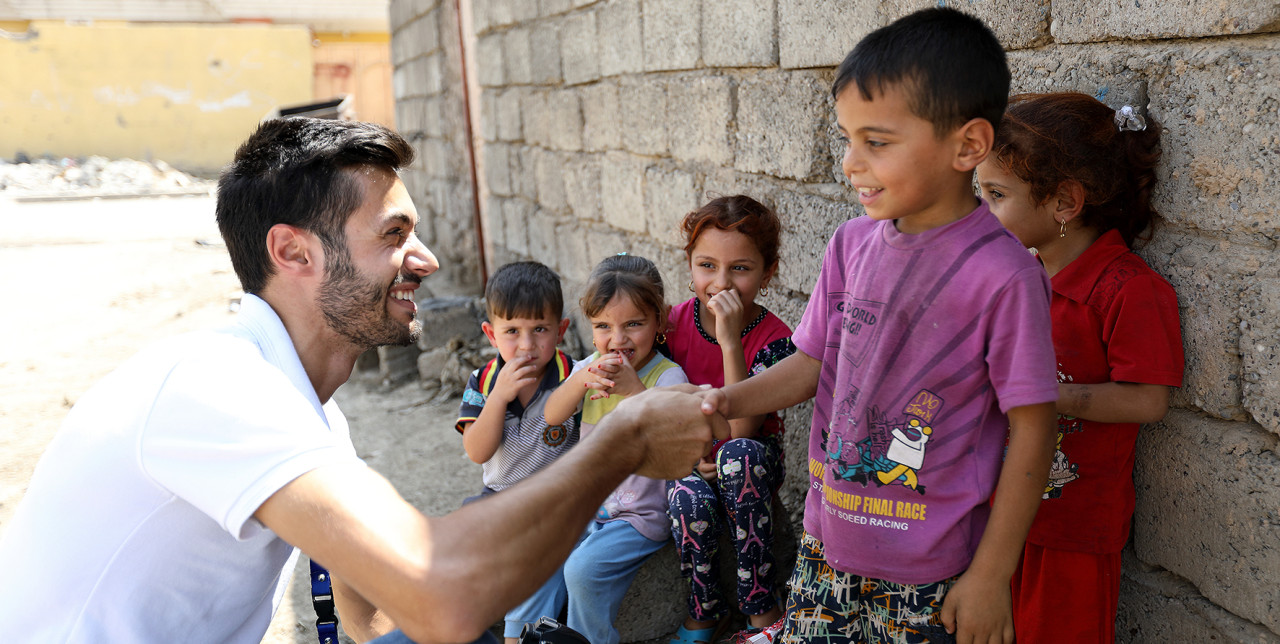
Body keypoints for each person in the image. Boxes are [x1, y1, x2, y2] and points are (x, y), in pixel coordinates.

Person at [0, 118, 726, 644]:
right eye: (393, 235)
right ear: (293, 252)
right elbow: (442, 592)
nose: (428, 259)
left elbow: (371, 613)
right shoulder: (218, 388)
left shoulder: (303, 411)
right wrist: (624, 440)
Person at [698, 8, 1061, 644]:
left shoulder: (1003, 275)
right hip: (826, 548)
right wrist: (723, 401)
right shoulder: (850, 245)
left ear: (967, 146)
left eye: (877, 142)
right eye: (847, 139)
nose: (851, 163)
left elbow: (1033, 431)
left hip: (934, 576)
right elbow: (811, 364)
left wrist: (991, 575)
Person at [976, 92, 1184, 643]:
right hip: (998, 514)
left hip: (1071, 529)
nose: (982, 212)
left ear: (1065, 202)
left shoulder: (1128, 290)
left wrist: (1042, 394)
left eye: (996, 195)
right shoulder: (1017, 277)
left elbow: (1147, 399)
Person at [660, 195, 796, 644]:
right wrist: (689, 458)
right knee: (685, 498)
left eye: (740, 268)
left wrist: (730, 342)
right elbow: (657, 407)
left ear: (768, 272)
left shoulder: (776, 340)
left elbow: (741, 429)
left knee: (738, 455)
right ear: (689, 264)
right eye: (706, 266)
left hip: (752, 460)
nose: (721, 283)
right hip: (689, 458)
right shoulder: (671, 326)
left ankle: (762, 611)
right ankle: (706, 613)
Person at [541, 254, 688, 644]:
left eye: (633, 324)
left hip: (639, 513)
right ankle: (541, 635)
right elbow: (553, 415)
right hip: (592, 506)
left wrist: (633, 391)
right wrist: (578, 381)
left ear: (659, 322)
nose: (617, 339)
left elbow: (668, 434)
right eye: (603, 326)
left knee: (582, 569)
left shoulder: (666, 376)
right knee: (538, 550)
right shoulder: (590, 368)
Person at [455, 260, 580, 642]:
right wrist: (500, 397)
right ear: (491, 334)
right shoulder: (483, 380)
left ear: (560, 330)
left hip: (555, 501)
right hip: (499, 498)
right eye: (512, 331)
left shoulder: (573, 376)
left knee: (535, 557)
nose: (526, 346)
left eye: (539, 330)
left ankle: (516, 634)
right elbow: (477, 451)